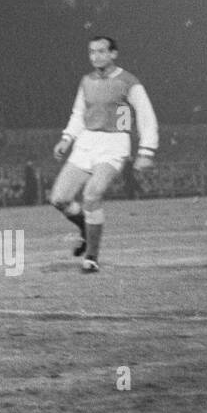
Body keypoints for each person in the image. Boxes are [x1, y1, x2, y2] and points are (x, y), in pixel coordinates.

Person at [50, 36, 157, 273]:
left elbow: (145, 115)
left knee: (91, 195)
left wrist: (146, 150)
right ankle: (85, 231)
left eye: (101, 51)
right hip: (86, 142)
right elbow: (79, 113)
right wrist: (67, 138)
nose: (96, 56)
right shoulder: (86, 81)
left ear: (113, 54)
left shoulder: (128, 82)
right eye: (91, 52)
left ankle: (92, 257)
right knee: (59, 199)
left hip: (114, 144)